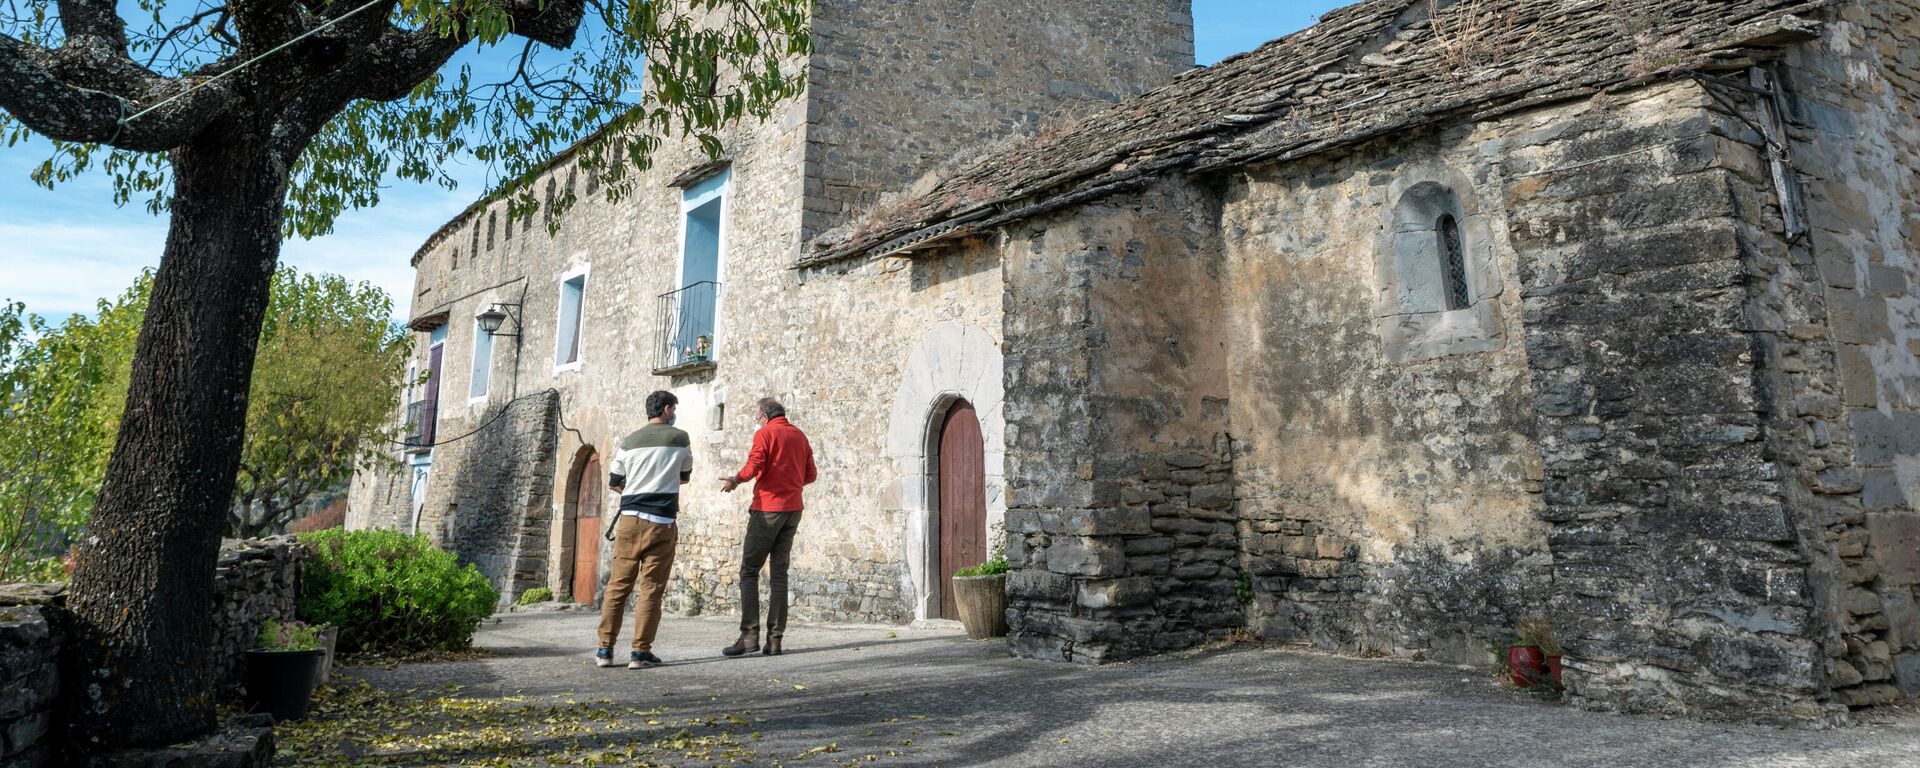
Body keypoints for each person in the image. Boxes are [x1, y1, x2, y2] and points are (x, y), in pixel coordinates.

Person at [595, 390, 692, 669]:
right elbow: (684, 476)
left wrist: (635, 488)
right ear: (665, 409)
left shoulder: (629, 441)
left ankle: (605, 650)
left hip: (628, 520)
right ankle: (639, 653)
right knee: (651, 588)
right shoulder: (680, 438)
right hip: (661, 522)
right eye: (673, 409)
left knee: (617, 586)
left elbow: (614, 480)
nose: (674, 414)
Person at [719, 398, 817, 657]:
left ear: (764, 416)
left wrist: (735, 479)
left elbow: (753, 466)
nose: (756, 423)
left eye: (756, 418)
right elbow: (811, 475)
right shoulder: (800, 436)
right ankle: (775, 640)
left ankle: (749, 636)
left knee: (749, 571)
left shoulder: (765, 434)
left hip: (767, 510)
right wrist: (789, 484)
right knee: (779, 575)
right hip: (793, 509)